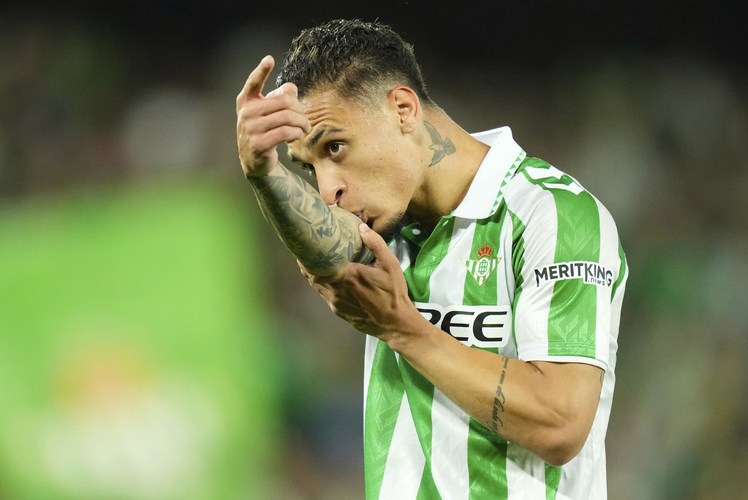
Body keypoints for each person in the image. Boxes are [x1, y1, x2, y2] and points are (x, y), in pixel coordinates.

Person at [236, 19, 628, 500]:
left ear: (402, 109)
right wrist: (263, 172)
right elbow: (330, 254)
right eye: (309, 166)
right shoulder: (386, 221)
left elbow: (560, 424)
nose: (327, 190)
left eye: (335, 147)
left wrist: (404, 329)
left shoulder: (552, 214)